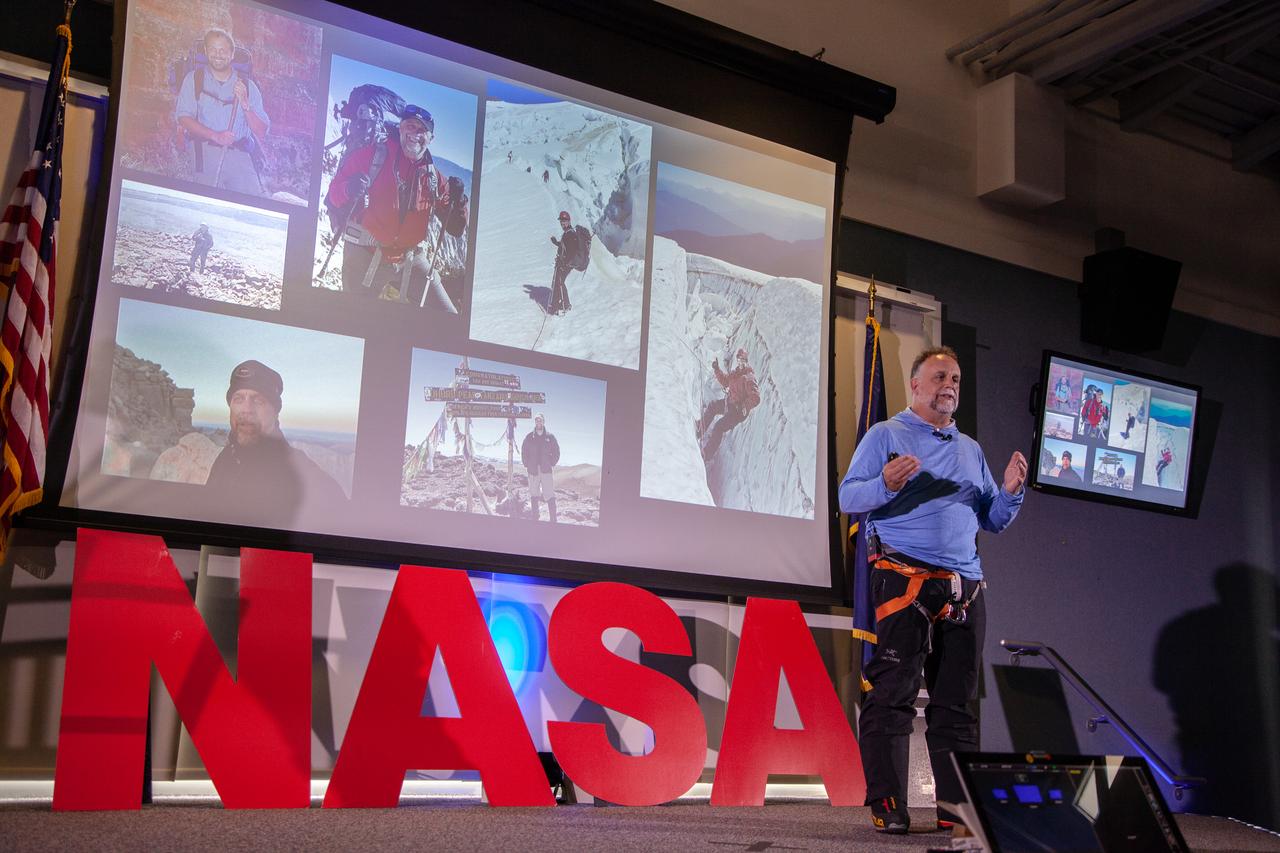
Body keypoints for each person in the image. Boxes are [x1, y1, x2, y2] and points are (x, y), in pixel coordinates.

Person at [839, 346, 1026, 836]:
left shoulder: (970, 450)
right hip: (902, 580)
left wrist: (1008, 492)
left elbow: (993, 520)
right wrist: (883, 481)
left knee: (956, 703)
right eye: (941, 377)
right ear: (916, 386)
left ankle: (956, 808)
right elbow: (848, 496)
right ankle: (888, 803)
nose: (950, 386)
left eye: (957, 380)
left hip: (963, 587)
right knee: (893, 696)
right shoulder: (887, 435)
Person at [326, 104, 467, 311]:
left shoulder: (433, 177)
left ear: (431, 138)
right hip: (365, 256)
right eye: (410, 126)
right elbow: (333, 196)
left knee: (449, 317)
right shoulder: (370, 157)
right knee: (354, 321)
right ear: (400, 128)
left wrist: (459, 200)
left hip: (411, 260)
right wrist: (349, 188)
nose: (415, 135)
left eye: (422, 130)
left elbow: (455, 228)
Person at [205, 360, 346, 509]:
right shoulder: (225, 459)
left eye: (258, 400)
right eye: (238, 399)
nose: (247, 409)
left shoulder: (307, 476)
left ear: (275, 413)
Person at [175, 28, 270, 195]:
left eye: (223, 50)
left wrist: (245, 105)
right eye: (212, 48)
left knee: (251, 204)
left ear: (232, 54)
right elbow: (184, 118)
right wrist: (215, 136)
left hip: (240, 156)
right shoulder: (193, 79)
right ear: (205, 51)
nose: (218, 54)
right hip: (203, 152)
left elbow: (261, 131)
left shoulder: (248, 86)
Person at [696, 348, 761, 462]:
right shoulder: (736, 374)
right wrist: (717, 369)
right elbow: (726, 381)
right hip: (729, 404)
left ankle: (706, 455)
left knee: (719, 427)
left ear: (746, 361)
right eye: (739, 359)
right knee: (713, 406)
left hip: (737, 413)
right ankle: (699, 429)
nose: (740, 362)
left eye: (743, 360)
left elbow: (755, 397)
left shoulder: (748, 377)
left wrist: (744, 406)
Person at [520, 413, 560, 522]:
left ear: (543, 422)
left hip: (546, 469)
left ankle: (553, 519)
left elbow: (556, 451)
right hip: (533, 470)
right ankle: (535, 518)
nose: (539, 422)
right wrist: (526, 464)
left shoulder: (550, 437)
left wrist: (551, 463)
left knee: (549, 494)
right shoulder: (529, 437)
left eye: (540, 420)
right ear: (535, 422)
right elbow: (524, 451)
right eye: (537, 420)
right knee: (534, 494)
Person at [548, 211, 583, 315]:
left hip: (567, 264)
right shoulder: (568, 233)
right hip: (565, 263)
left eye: (564, 221)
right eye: (561, 221)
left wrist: (563, 263)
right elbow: (566, 246)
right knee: (559, 282)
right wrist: (557, 243)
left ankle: (564, 305)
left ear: (569, 221)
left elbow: (571, 252)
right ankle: (559, 304)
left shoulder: (570, 234)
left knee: (559, 282)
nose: (562, 223)